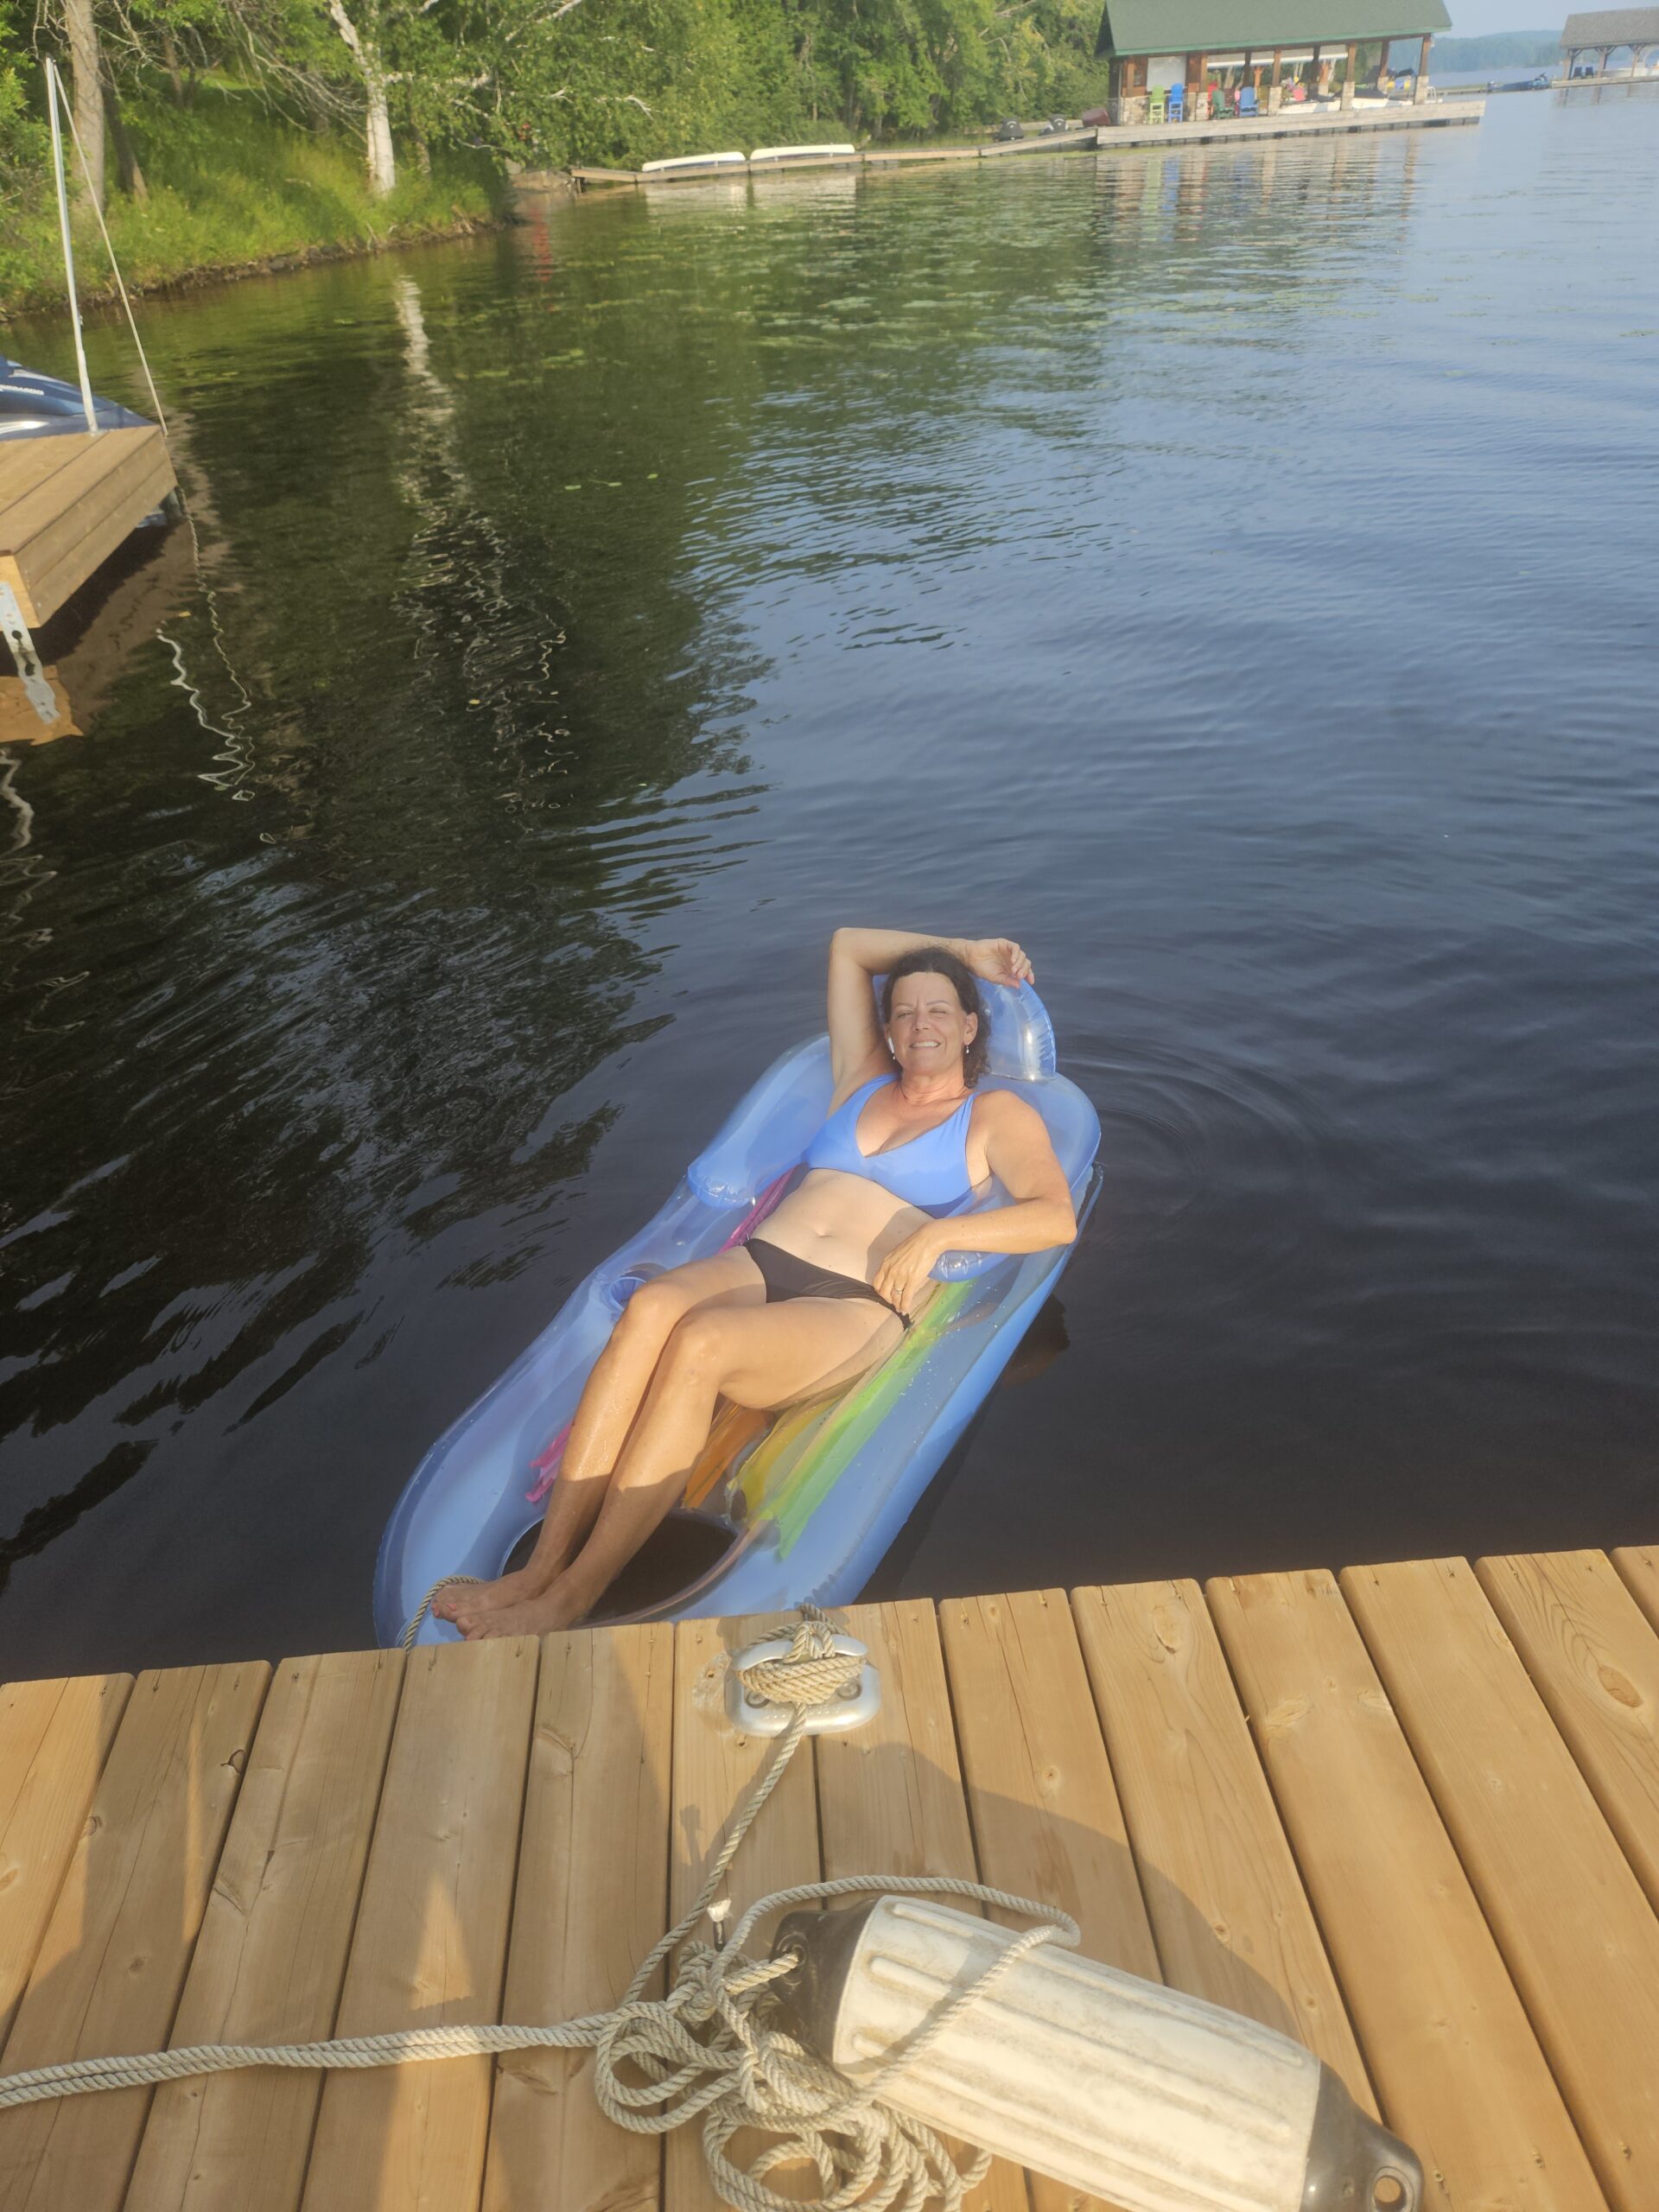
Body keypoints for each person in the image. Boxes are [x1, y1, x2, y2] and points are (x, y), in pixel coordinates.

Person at [435, 927, 1078, 1638]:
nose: (919, 1024)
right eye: (903, 1012)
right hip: (763, 1262)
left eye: (938, 1010)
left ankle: (573, 1596)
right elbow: (847, 946)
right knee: (651, 1308)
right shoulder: (861, 1079)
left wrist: (937, 1235)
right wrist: (966, 952)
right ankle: (539, 1570)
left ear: (969, 1026)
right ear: (890, 1031)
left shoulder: (993, 1116)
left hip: (855, 1303)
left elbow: (1054, 1216)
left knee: (702, 1343)